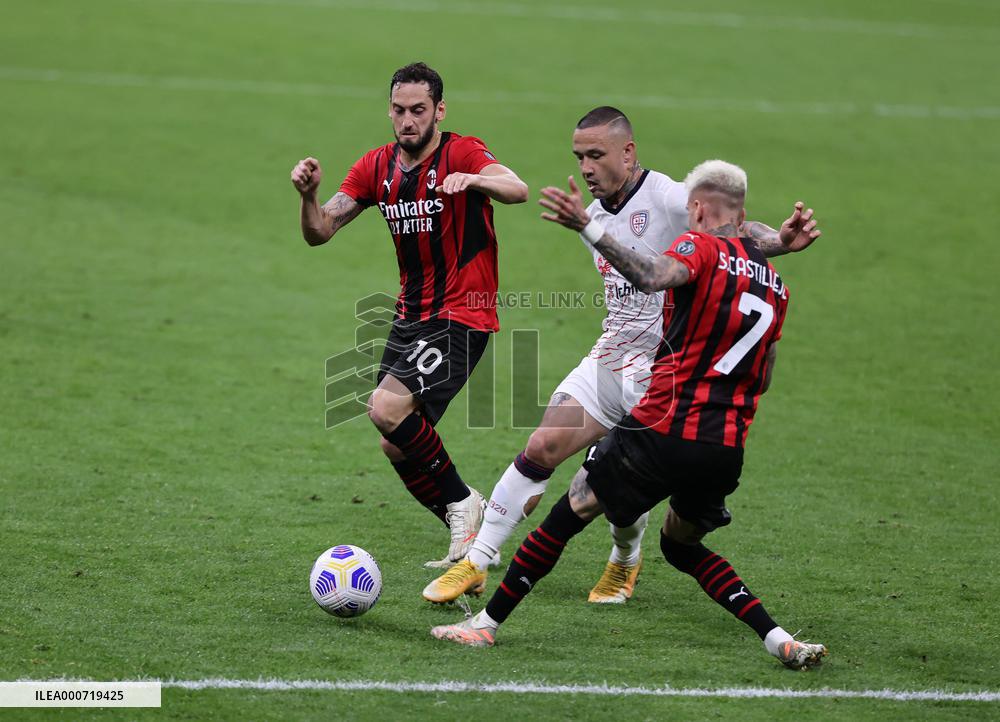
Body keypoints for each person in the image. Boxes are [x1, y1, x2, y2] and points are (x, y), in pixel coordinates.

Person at [430, 160, 828, 671]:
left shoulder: (697, 245)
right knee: (682, 547)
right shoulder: (776, 288)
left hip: (665, 425)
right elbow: (764, 377)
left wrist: (587, 227)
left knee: (567, 514)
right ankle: (779, 639)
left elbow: (650, 275)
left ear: (697, 209)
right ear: (744, 212)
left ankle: (484, 626)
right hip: (725, 449)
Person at [290, 62, 528, 567]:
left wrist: (476, 180)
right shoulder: (376, 167)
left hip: (463, 314)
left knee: (386, 407)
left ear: (439, 110)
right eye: (398, 110)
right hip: (412, 316)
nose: (407, 120)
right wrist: (309, 197)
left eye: (418, 110)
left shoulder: (462, 151)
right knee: (396, 445)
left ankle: (464, 504)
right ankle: (469, 527)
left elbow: (517, 188)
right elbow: (321, 231)